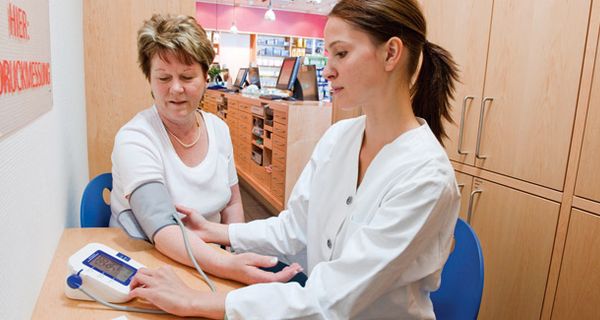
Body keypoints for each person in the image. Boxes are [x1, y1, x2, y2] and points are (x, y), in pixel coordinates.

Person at [128, 1, 461, 318]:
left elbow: (332, 299)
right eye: (327, 53)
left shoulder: (426, 178)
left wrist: (201, 301)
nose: (327, 70)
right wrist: (219, 233)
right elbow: (294, 227)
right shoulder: (338, 139)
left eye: (341, 53)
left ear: (391, 53)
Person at [109, 14, 301, 285]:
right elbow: (162, 227)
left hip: (214, 257)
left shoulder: (218, 128)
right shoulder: (135, 138)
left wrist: (238, 252)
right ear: (149, 79)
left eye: (187, 76)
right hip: (155, 262)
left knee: (296, 285)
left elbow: (232, 202)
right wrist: (232, 265)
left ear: (205, 76)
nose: (176, 89)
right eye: (163, 78)